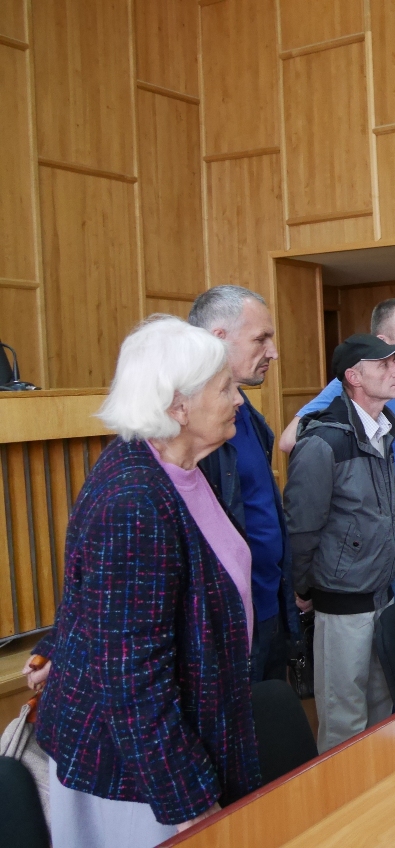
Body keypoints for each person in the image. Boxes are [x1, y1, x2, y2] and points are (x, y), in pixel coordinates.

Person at [32, 317, 259, 845]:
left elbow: (106, 597)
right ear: (178, 406)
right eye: (225, 388)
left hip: (177, 736)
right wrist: (188, 801)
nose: (239, 401)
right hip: (138, 775)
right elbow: (134, 677)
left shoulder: (176, 469)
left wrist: (58, 644)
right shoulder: (136, 500)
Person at [280, 300, 395, 601]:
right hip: (382, 541)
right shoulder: (361, 384)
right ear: (383, 342)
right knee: (382, 637)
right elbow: (289, 440)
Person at [284, 334, 395, 752]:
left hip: (381, 591)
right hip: (341, 598)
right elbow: (302, 526)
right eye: (385, 365)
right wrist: (303, 588)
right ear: (353, 377)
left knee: (382, 706)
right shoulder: (322, 441)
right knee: (343, 720)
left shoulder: (384, 429)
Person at [188, 285, 299, 683]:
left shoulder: (247, 414)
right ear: (219, 339)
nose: (273, 352)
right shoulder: (193, 434)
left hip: (268, 604)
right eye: (261, 339)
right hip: (230, 621)